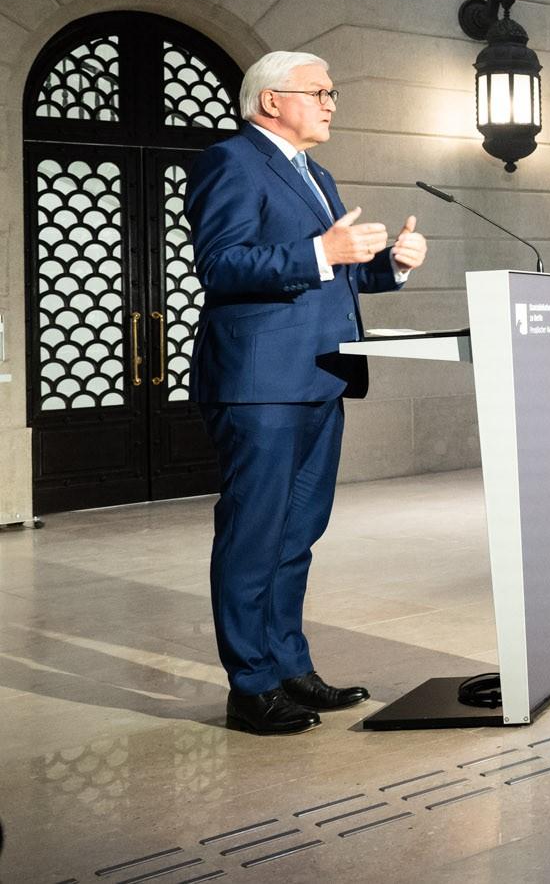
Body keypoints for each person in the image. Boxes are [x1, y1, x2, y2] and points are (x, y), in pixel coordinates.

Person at [189, 51, 427, 735]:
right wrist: (325, 249)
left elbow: (332, 274)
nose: (330, 102)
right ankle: (251, 685)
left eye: (332, 89)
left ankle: (290, 665)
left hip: (321, 374)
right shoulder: (230, 162)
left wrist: (388, 266)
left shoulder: (313, 172)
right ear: (270, 101)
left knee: (297, 534)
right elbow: (222, 264)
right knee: (253, 531)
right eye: (318, 91)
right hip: (260, 381)